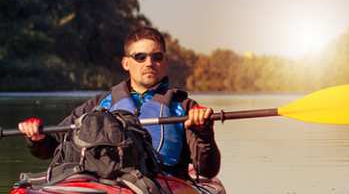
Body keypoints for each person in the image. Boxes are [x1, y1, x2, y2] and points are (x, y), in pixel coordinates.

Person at [18, 26, 221, 179]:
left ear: (165, 63)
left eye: (156, 57)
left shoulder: (184, 107)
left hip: (161, 183)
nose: (149, 63)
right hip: (102, 182)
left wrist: (203, 132)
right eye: (140, 57)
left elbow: (208, 170)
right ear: (126, 63)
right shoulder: (98, 105)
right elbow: (52, 147)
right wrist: (36, 138)